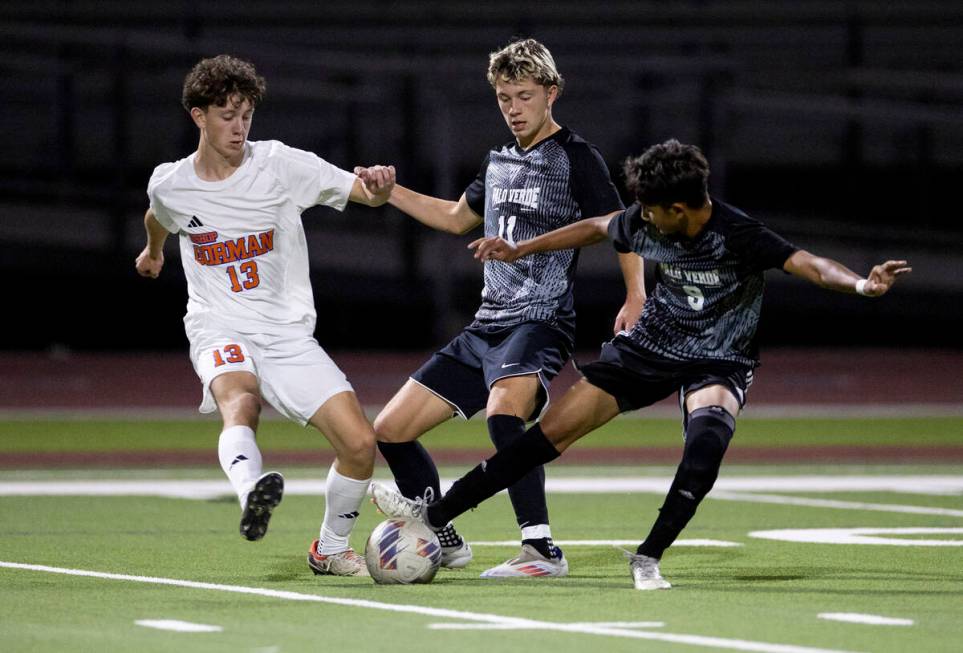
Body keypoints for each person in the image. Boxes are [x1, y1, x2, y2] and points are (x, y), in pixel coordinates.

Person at [370, 138, 911, 589]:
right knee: (542, 439)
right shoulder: (647, 221)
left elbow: (808, 264)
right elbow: (594, 228)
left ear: (680, 209)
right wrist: (522, 249)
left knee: (706, 445)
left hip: (718, 359)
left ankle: (647, 556)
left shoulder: (738, 234)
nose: (642, 218)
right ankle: (436, 518)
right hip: (648, 348)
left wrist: (862, 283)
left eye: (650, 209)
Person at [360, 39, 645, 578]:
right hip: (486, 325)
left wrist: (636, 295)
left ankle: (540, 549)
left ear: (551, 93)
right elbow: (452, 217)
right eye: (504, 98)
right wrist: (388, 192)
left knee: (504, 415)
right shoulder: (498, 162)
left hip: (540, 320)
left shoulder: (576, 157)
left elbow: (619, 227)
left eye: (524, 96)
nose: (514, 108)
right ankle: (443, 536)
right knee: (391, 429)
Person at [135, 54, 396, 577]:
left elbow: (360, 192)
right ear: (198, 116)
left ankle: (329, 549)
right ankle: (252, 488)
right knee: (241, 399)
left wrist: (379, 184)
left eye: (246, 114)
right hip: (218, 323)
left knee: (360, 444)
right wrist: (154, 251)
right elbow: (158, 215)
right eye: (227, 114)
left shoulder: (279, 165)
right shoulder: (171, 183)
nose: (239, 126)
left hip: (286, 332)